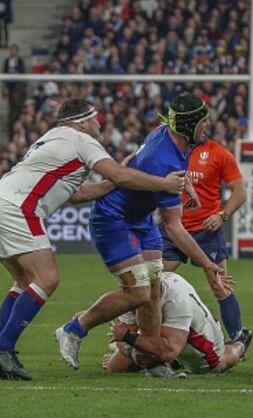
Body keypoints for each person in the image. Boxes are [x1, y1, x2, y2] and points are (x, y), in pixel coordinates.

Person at [0, 98, 186, 380]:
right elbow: (118, 174)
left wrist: (115, 180)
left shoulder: (48, 139)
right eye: (95, 119)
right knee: (47, 279)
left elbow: (75, 195)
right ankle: (3, 348)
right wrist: (162, 183)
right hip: (17, 208)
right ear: (82, 122)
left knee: (24, 282)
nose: (99, 123)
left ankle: (1, 349)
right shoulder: (82, 140)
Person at [55, 92, 228, 371]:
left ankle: (153, 362)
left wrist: (188, 186)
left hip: (141, 218)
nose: (207, 127)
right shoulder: (164, 161)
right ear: (187, 125)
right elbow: (175, 228)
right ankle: (74, 328)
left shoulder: (167, 136)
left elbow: (142, 159)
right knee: (138, 292)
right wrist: (208, 265)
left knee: (154, 290)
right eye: (203, 122)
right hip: (113, 219)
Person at [160, 110, 249, 341]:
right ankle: (140, 337)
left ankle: (238, 338)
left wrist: (222, 215)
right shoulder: (173, 150)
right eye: (201, 124)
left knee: (220, 285)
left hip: (207, 231)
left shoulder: (220, 154)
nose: (204, 128)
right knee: (151, 284)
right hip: (174, 229)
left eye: (206, 124)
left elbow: (240, 191)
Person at [103, 272, 252, 377]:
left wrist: (128, 339)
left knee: (220, 363)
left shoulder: (177, 300)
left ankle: (239, 345)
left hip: (202, 345)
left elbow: (168, 351)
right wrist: (132, 351)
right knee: (115, 367)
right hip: (171, 334)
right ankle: (169, 362)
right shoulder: (135, 293)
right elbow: (119, 336)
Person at [2, 44, 26, 139]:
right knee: (11, 114)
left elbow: (23, 73)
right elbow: (4, 74)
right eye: (11, 50)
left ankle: (20, 136)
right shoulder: (6, 61)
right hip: (10, 90)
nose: (12, 52)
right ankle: (11, 136)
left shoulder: (20, 61)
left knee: (19, 112)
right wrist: (4, 87)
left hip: (19, 90)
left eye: (14, 50)